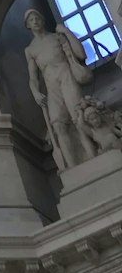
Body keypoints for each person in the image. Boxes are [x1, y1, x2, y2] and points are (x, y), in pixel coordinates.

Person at [24, 10, 97, 170]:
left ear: (42, 21)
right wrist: (36, 92)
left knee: (79, 117)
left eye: (37, 17)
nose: (35, 21)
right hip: (52, 87)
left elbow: (81, 54)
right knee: (58, 125)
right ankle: (72, 168)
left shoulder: (56, 37)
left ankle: (93, 157)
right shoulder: (30, 50)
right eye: (31, 20)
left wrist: (66, 31)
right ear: (28, 25)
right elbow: (33, 78)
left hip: (66, 77)